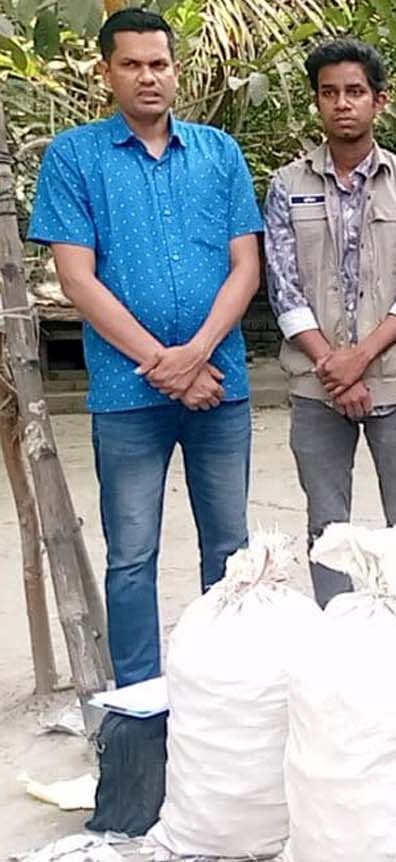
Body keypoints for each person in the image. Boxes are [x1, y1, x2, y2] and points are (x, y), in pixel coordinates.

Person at [25, 8, 263, 686]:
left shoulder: (219, 153)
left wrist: (197, 354)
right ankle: (139, 698)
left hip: (220, 385)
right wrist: (166, 364)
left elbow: (246, 266)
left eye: (158, 64)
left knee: (230, 549)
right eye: (130, 65)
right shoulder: (75, 157)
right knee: (131, 554)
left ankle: (227, 687)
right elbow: (78, 279)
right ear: (107, 72)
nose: (147, 76)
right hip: (127, 393)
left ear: (175, 71)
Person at [264, 39, 396, 607]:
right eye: (330, 93)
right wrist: (331, 366)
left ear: (378, 100)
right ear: (317, 101)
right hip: (316, 385)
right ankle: (334, 632)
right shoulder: (287, 187)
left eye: (355, 92)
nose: (343, 104)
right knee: (326, 527)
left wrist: (358, 359)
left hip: (394, 380)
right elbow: (283, 287)